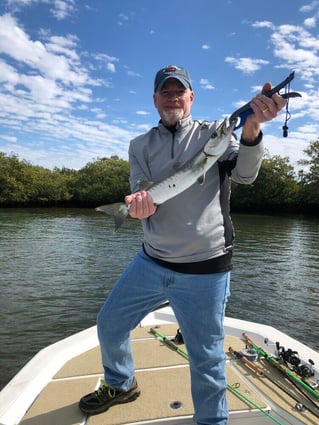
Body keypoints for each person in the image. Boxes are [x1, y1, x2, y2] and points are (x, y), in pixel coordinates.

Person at [79, 65, 286, 424]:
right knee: (109, 322)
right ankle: (121, 383)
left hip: (206, 267)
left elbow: (246, 175)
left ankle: (211, 421)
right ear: (156, 99)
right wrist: (137, 207)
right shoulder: (139, 145)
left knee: (206, 358)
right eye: (166, 92)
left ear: (191, 98)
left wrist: (253, 127)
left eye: (180, 92)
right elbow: (142, 195)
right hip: (152, 261)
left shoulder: (215, 136)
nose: (173, 97)